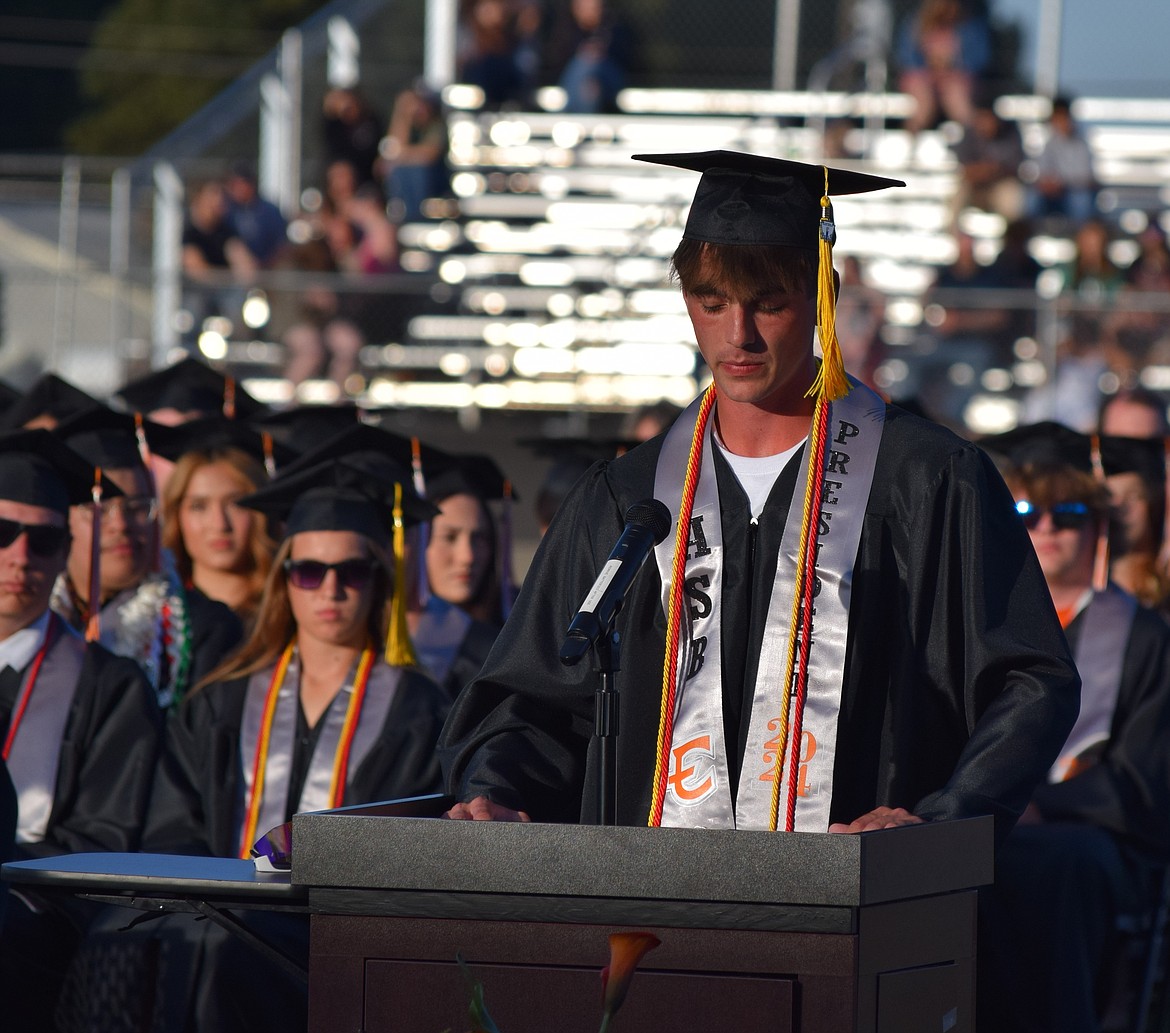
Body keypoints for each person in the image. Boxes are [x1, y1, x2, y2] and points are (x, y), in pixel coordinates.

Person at [438, 149, 1079, 840]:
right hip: (649, 906)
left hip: (864, 902)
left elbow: (1029, 680)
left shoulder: (926, 482)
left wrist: (939, 817)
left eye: (768, 303)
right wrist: (494, 788)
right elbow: (531, 701)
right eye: (711, 304)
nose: (737, 334)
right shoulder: (629, 500)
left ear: (820, 294)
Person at [117, 457, 450, 1033]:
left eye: (353, 571)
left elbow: (421, 845)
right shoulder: (218, 700)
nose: (332, 588)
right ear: (283, 578)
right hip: (215, 923)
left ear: (380, 580)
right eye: (309, 571)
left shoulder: (423, 709)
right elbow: (175, 826)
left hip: (345, 935)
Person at [977, 431, 1170, 1033]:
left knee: (1049, 861)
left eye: (1072, 513)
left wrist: (1042, 804)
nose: (1049, 528)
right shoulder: (983, 629)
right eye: (1027, 513)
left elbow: (1144, 780)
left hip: (1090, 841)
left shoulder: (1142, 638)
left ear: (1099, 528)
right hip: (987, 821)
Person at [0, 429, 161, 1027]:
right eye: (3, 533)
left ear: (68, 550)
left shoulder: (111, 687)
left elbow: (102, 845)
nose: (21, 557)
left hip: (32, 926)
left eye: (44, 541)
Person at [50, 405, 243, 708]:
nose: (122, 526)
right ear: (65, 521)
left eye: (138, 507)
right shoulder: (28, 620)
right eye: (99, 511)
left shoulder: (206, 632)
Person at [151, 417, 284, 627]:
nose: (220, 524)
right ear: (177, 515)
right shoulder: (152, 617)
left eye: (236, 504)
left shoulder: (287, 612)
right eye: (199, 506)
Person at [894, 0, 991, 133]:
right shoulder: (915, 24)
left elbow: (977, 61)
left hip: (957, 80)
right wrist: (930, 71)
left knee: (957, 98)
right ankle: (911, 142)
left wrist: (951, 69)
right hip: (923, 78)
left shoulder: (970, 26)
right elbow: (906, 59)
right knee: (922, 104)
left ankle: (971, 140)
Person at [542, 0, 636, 114]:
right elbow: (557, 64)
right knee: (585, 76)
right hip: (578, 84)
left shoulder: (614, 29)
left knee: (589, 71)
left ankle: (578, 118)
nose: (591, 10)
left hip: (607, 81)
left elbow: (623, 61)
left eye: (594, 6)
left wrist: (598, 54)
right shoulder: (564, 31)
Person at [379, 81, 451, 224]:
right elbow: (393, 149)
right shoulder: (409, 125)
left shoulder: (437, 124)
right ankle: (404, 217)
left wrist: (401, 156)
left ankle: (416, 219)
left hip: (437, 180)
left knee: (414, 171)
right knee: (397, 171)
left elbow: (429, 155)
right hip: (412, 182)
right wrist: (402, 116)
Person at [1023, 96, 1099, 228]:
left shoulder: (1081, 145)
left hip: (1073, 192)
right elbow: (1042, 174)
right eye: (1057, 118)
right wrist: (1049, 183)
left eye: (1063, 118)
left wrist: (1062, 183)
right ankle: (1032, 232)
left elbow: (1086, 178)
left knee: (1080, 200)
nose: (1061, 123)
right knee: (1031, 197)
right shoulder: (1049, 144)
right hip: (1053, 193)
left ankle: (1078, 232)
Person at [223, 160, 289, 268]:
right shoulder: (226, 209)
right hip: (232, 273)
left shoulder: (270, 211)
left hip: (269, 270)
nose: (237, 189)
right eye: (233, 184)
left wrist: (265, 267)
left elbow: (281, 245)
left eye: (241, 183)